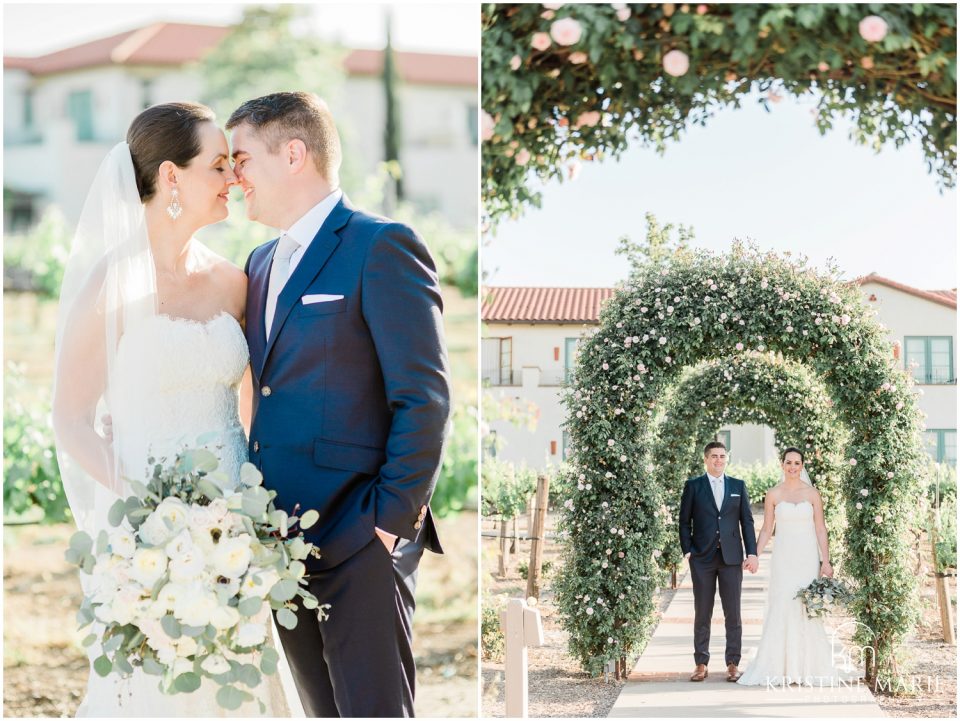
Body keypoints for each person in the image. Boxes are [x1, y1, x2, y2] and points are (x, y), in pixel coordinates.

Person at [52, 102, 293, 716]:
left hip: (236, 528)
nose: (234, 180)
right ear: (171, 178)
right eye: (218, 166)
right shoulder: (112, 286)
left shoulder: (233, 282)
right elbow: (72, 419)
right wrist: (151, 511)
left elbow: (250, 400)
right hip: (150, 534)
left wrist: (253, 512)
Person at [228, 91, 451, 717]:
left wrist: (385, 524)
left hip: (361, 536)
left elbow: (425, 399)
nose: (233, 174)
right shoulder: (260, 262)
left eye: (242, 157)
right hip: (282, 540)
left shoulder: (381, 245)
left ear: (293, 153)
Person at [738, 447, 854, 686]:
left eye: (797, 463)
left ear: (802, 466)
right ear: (782, 465)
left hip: (806, 557)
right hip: (783, 558)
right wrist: (754, 555)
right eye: (788, 462)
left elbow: (821, 528)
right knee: (782, 603)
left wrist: (826, 560)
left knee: (804, 606)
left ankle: (807, 666)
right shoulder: (773, 494)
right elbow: (767, 529)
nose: (792, 467)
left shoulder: (812, 494)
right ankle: (779, 666)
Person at [678, 441, 758, 682]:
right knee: (702, 612)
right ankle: (701, 662)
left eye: (722, 456)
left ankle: (733, 663)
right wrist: (688, 550)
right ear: (706, 459)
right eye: (714, 456)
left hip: (731, 558)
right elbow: (684, 522)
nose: (718, 460)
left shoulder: (737, 485)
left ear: (727, 459)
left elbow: (747, 521)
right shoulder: (693, 486)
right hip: (702, 558)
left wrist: (751, 553)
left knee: (733, 612)